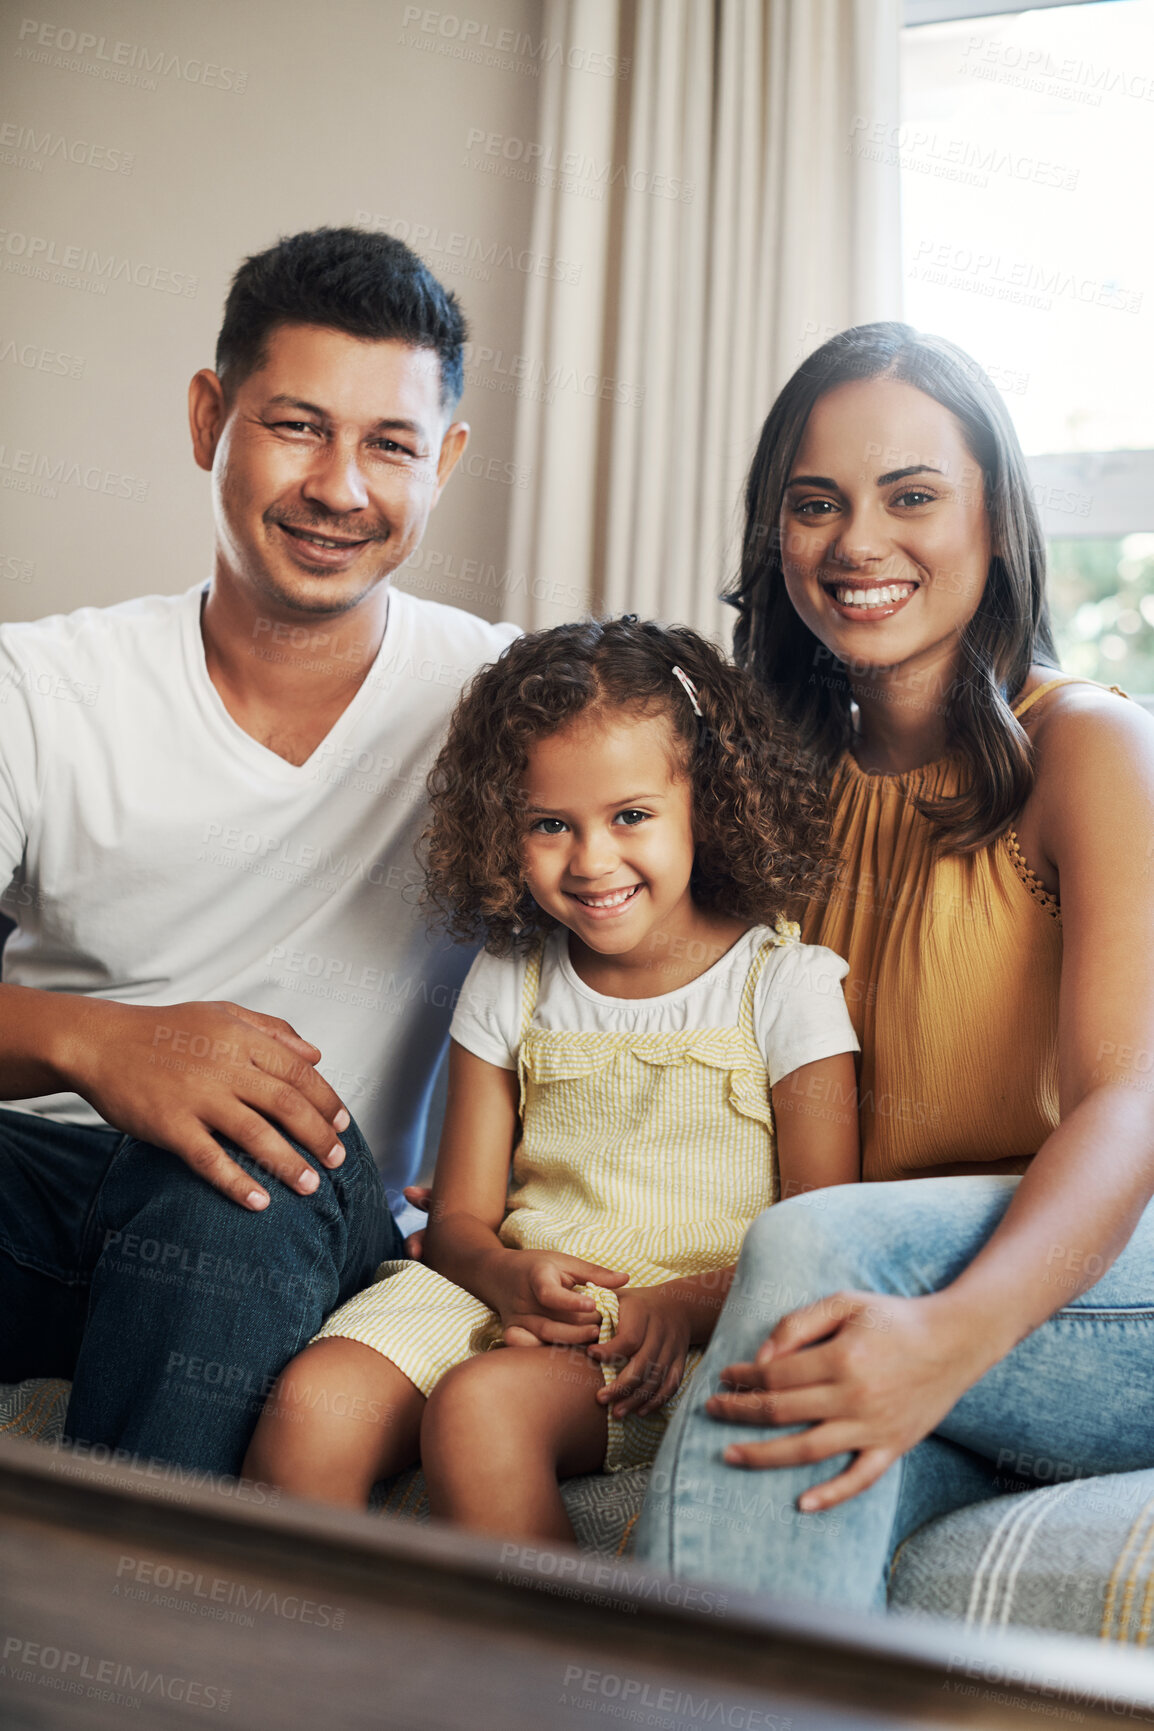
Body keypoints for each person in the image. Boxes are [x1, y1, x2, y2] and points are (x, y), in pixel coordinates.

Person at [634, 321, 1154, 1610]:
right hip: (879, 1286)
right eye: (815, 505)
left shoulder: (1091, 753)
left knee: (818, 1252)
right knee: (797, 1461)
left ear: (994, 518)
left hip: (1104, 1281)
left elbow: (1129, 1105)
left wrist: (947, 1338)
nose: (855, 543)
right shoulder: (767, 789)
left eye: (910, 496)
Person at [0, 226, 518, 1475]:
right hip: (46, 1184)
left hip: (286, 1212)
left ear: (442, 462)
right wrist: (102, 1042)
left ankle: (123, 1654)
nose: (340, 486)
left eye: (389, 444)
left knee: (245, 1149)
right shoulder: (39, 685)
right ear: (208, 418)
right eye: (297, 426)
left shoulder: (505, 703)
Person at [242, 618, 861, 1535]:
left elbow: (822, 1238)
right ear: (506, 826)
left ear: (710, 799)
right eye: (549, 825)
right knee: (312, 1407)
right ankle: (326, 1673)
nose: (592, 860)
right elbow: (456, 1222)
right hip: (494, 1291)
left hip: (669, 1328)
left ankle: (540, 1681)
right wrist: (504, 1273)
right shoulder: (511, 977)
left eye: (632, 816)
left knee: (481, 1408)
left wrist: (677, 1308)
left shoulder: (787, 986)